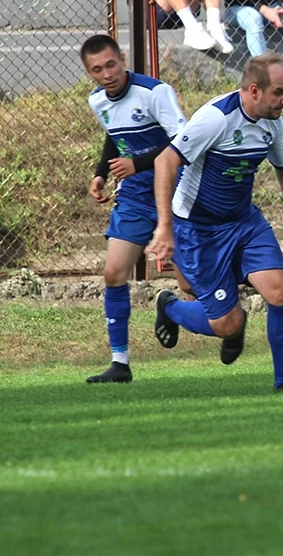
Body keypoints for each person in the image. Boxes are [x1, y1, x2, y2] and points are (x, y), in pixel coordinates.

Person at [146, 54, 283, 392]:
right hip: (199, 229)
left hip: (245, 223)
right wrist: (165, 227)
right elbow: (165, 162)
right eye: (279, 92)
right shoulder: (216, 119)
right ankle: (170, 308)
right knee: (227, 325)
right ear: (255, 90)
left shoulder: (272, 121)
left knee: (281, 291)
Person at [80, 34, 189, 383]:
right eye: (97, 69)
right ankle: (120, 363)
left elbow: (184, 141)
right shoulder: (97, 100)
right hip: (135, 197)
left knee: (190, 285)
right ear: (89, 73)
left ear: (123, 60)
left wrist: (137, 164)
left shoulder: (155, 92)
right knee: (114, 272)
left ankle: (173, 308)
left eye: (111, 65)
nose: (107, 74)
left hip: (176, 193)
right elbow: (114, 135)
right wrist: (101, 173)